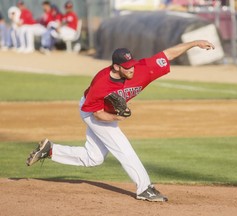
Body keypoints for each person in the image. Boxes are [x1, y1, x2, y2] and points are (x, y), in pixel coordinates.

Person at [26, 40, 215, 202]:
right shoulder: (101, 82)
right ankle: (144, 188)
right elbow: (96, 114)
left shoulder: (142, 69)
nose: (131, 69)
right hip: (93, 110)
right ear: (116, 67)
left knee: (94, 158)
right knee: (123, 147)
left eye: (132, 64)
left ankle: (51, 150)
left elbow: (167, 54)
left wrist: (194, 43)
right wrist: (116, 117)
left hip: (104, 112)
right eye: (126, 67)